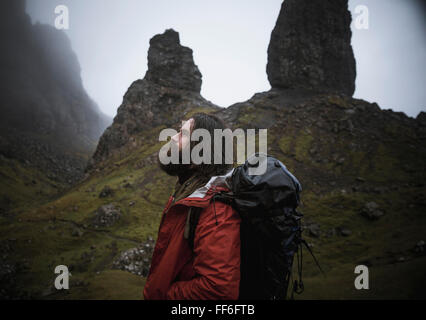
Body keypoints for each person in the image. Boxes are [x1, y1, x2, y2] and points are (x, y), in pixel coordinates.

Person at [143, 113, 241, 300]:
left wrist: (163, 296)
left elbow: (218, 290)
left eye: (182, 134)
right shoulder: (188, 193)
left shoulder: (215, 210)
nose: (172, 137)